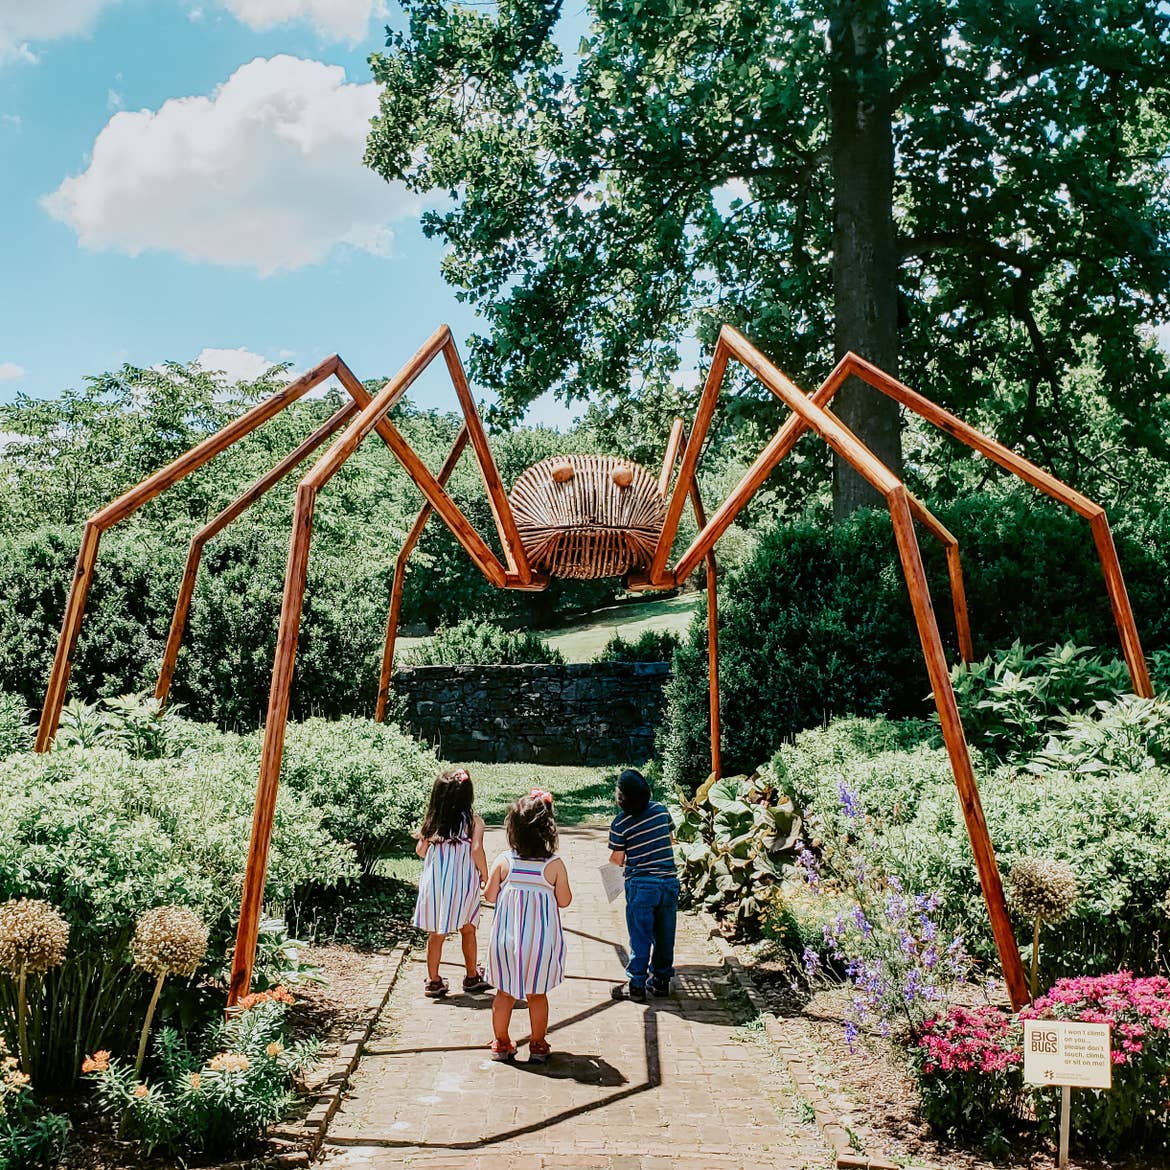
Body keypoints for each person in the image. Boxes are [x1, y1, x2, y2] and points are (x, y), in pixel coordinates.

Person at [483, 788, 572, 1063]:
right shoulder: (554, 865)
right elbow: (565, 900)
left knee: (504, 993)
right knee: (537, 994)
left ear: (513, 829)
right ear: (549, 831)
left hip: (506, 941)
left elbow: (489, 895)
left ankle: (501, 1042)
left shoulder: (504, 860)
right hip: (541, 942)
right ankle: (537, 1043)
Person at [412, 767, 492, 997]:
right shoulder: (474, 822)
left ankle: (434, 980)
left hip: (435, 885)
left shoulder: (433, 821)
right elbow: (477, 850)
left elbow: (420, 851)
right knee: (468, 928)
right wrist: (485, 876)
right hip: (462, 885)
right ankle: (471, 976)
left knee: (436, 933)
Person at [608, 768, 679, 1002]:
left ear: (621, 799)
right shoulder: (660, 810)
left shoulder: (620, 824)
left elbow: (617, 860)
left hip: (641, 886)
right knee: (664, 934)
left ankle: (636, 983)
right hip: (668, 883)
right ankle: (661, 980)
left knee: (640, 936)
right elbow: (670, 840)